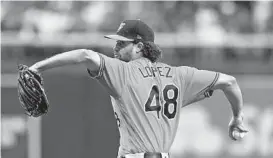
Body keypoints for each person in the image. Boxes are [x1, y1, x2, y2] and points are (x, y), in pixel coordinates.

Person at [28, 19, 248, 158]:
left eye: (122, 43)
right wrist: (237, 117)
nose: (115, 47)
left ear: (140, 47)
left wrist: (37, 67)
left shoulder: (124, 73)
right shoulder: (180, 75)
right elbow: (229, 82)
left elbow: (85, 55)